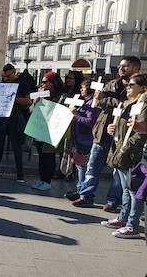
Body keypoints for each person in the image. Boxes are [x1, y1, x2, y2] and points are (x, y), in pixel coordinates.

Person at [72, 56, 141, 209]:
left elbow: (128, 107)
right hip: (102, 130)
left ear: (135, 68)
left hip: (122, 134)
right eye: (120, 66)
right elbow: (98, 102)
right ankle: (86, 195)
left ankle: (112, 201)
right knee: (92, 165)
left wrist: (106, 100)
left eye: (125, 66)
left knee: (117, 171)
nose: (121, 69)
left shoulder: (138, 87)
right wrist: (104, 100)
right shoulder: (111, 84)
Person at [100, 73, 147, 239]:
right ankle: (123, 218)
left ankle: (132, 225)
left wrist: (125, 148)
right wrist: (111, 130)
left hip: (132, 153)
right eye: (128, 85)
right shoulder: (128, 103)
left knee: (134, 190)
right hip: (121, 147)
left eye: (132, 85)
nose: (128, 87)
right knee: (126, 188)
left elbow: (140, 133)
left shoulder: (143, 105)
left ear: (143, 88)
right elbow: (124, 126)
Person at [0, 64, 32, 182]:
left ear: (14, 72)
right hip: (2, 117)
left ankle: (20, 173)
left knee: (16, 147)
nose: (6, 78)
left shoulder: (23, 83)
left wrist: (12, 98)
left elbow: (28, 100)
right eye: (4, 76)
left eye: (8, 75)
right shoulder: (2, 83)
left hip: (15, 118)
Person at [31, 72, 68, 191]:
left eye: (45, 81)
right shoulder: (40, 95)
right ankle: (42, 180)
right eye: (42, 82)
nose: (42, 84)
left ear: (53, 83)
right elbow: (31, 110)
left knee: (49, 156)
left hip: (52, 130)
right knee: (41, 156)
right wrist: (36, 101)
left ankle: (47, 181)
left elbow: (60, 112)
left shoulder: (62, 96)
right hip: (40, 128)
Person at [63, 79, 99, 201]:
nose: (81, 90)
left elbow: (90, 122)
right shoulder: (85, 102)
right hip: (79, 138)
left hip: (85, 138)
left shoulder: (91, 105)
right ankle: (80, 190)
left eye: (83, 88)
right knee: (79, 165)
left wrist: (76, 115)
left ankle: (82, 192)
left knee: (83, 167)